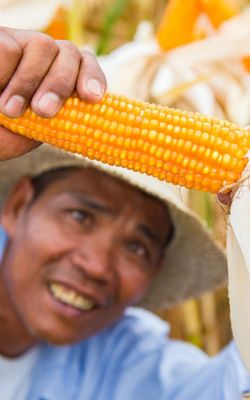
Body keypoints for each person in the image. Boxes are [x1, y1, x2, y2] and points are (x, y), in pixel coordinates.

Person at [0, 27, 249, 400]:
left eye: (137, 248)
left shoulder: (127, 359)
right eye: (81, 217)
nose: (97, 266)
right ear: (18, 206)